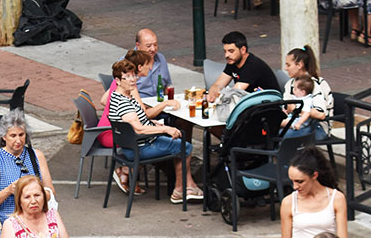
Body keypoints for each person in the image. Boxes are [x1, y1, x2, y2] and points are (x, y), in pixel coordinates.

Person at [108, 58, 201, 203]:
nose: (133, 80)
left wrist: (152, 123)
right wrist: (165, 128)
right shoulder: (124, 103)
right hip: (140, 148)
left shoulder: (118, 96)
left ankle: (184, 185)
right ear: (118, 81)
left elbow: (137, 120)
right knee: (185, 147)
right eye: (128, 77)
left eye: (134, 76)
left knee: (177, 139)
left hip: (132, 145)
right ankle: (179, 190)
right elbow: (138, 128)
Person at [0, 108, 56, 238]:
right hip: (9, 225)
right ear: (4, 137)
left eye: (21, 135)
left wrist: (34, 193)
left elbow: (50, 192)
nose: (18, 140)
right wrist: (8, 191)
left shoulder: (36, 156)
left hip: (36, 222)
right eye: (13, 135)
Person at [206, 31, 278, 101]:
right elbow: (218, 85)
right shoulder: (233, 61)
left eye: (231, 51)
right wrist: (212, 94)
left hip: (269, 106)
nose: (226, 55)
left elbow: (234, 93)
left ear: (243, 50)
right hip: (251, 103)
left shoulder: (252, 66)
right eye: (225, 51)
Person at [280, 46, 332, 138]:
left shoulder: (316, 83)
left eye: (288, 65)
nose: (285, 68)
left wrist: (297, 108)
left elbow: (320, 115)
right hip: (295, 122)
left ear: (299, 65)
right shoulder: (290, 84)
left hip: (317, 127)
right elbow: (287, 107)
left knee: (284, 137)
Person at [133, 28, 171, 99]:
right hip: (140, 104)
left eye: (155, 45)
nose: (153, 49)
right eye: (148, 46)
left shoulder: (161, 58)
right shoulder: (127, 62)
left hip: (160, 101)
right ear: (138, 45)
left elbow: (167, 87)